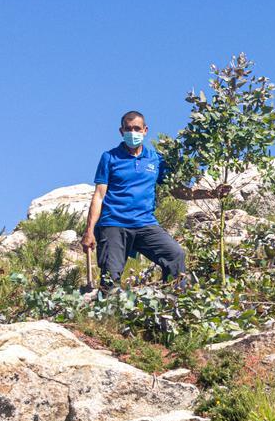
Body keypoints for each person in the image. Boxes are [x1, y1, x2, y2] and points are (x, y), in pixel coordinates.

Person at [81, 111, 228, 291]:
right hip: (114, 223)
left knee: (175, 255)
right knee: (110, 278)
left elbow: (178, 191)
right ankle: (108, 315)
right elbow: (99, 196)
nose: (132, 133)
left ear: (145, 130)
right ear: (121, 131)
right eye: (128, 129)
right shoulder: (109, 157)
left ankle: (172, 302)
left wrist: (212, 193)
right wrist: (89, 231)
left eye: (137, 128)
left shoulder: (156, 159)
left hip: (145, 223)